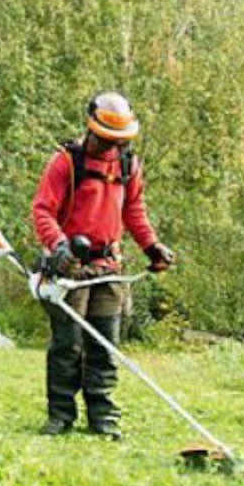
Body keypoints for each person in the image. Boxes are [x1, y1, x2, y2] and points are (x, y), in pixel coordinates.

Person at [30, 92, 175, 439]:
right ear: (91, 129)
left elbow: (134, 212)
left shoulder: (128, 166)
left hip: (110, 268)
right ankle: (61, 415)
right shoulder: (66, 162)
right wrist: (59, 245)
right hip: (71, 270)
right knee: (68, 346)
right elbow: (42, 210)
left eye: (118, 142)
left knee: (105, 346)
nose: (111, 148)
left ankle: (103, 417)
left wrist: (152, 246)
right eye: (106, 140)